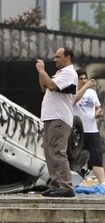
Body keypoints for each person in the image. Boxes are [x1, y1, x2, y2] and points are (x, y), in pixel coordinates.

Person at [36, 47, 78, 198]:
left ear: (68, 57)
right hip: (50, 117)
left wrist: (42, 71)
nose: (55, 59)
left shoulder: (69, 73)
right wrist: (42, 72)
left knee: (57, 151)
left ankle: (66, 185)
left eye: (58, 57)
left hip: (59, 118)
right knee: (49, 151)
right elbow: (44, 86)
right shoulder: (60, 74)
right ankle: (56, 184)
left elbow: (52, 86)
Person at [73, 69, 105, 185]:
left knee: (96, 158)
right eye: (80, 79)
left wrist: (99, 112)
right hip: (78, 132)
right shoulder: (72, 92)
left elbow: (98, 107)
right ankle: (77, 182)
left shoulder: (91, 92)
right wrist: (86, 85)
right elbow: (74, 100)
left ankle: (103, 183)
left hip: (92, 130)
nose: (83, 81)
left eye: (85, 78)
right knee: (76, 158)